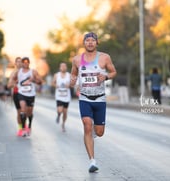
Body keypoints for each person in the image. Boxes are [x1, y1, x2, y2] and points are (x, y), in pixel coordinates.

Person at [70, 32, 117, 172]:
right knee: (87, 125)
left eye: (92, 40)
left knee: (100, 132)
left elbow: (113, 72)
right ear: (84, 43)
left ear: (97, 43)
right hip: (84, 98)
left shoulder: (104, 57)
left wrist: (106, 76)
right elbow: (73, 74)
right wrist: (73, 80)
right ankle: (92, 161)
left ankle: (93, 134)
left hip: (100, 99)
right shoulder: (77, 59)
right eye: (87, 40)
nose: (90, 43)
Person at [9, 57, 43, 137]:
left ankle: (30, 126)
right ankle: (23, 129)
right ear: (22, 63)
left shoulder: (33, 72)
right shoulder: (18, 72)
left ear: (29, 63)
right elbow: (11, 82)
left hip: (31, 95)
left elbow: (40, 82)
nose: (25, 63)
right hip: (21, 94)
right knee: (22, 111)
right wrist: (15, 83)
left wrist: (33, 80)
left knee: (29, 112)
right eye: (24, 62)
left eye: (27, 62)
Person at [52, 62, 71, 132]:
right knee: (60, 110)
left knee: (65, 112)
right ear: (60, 68)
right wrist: (55, 85)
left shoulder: (69, 75)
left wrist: (69, 85)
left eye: (64, 66)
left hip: (66, 97)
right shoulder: (56, 75)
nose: (63, 67)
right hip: (59, 96)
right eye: (62, 66)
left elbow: (72, 84)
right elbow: (52, 83)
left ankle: (63, 124)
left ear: (66, 67)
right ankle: (59, 115)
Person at [7, 57, 23, 136]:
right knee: (20, 112)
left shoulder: (26, 72)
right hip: (17, 94)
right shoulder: (13, 73)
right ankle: (20, 128)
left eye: (21, 62)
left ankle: (25, 126)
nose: (19, 63)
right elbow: (9, 85)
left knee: (26, 111)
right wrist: (15, 84)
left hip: (26, 94)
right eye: (18, 62)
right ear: (15, 64)